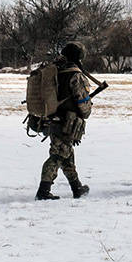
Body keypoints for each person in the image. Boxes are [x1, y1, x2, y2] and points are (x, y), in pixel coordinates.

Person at [36, 42, 93, 200]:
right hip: (67, 122)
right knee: (57, 156)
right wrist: (87, 110)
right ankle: (43, 191)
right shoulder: (75, 74)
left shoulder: (56, 71)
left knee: (65, 154)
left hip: (52, 118)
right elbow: (83, 103)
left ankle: (77, 187)